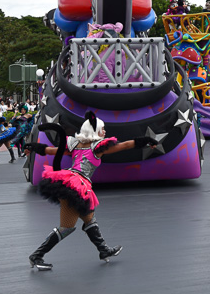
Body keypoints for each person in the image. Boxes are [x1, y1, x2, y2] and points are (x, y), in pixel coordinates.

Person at [24, 112, 158, 270]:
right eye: (103, 129)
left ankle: (103, 250)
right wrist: (147, 140)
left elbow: (52, 150)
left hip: (72, 183)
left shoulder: (75, 145)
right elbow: (125, 145)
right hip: (76, 185)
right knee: (66, 227)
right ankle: (37, 255)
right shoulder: (97, 148)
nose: (105, 132)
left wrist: (34, 147)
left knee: (89, 219)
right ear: (95, 131)